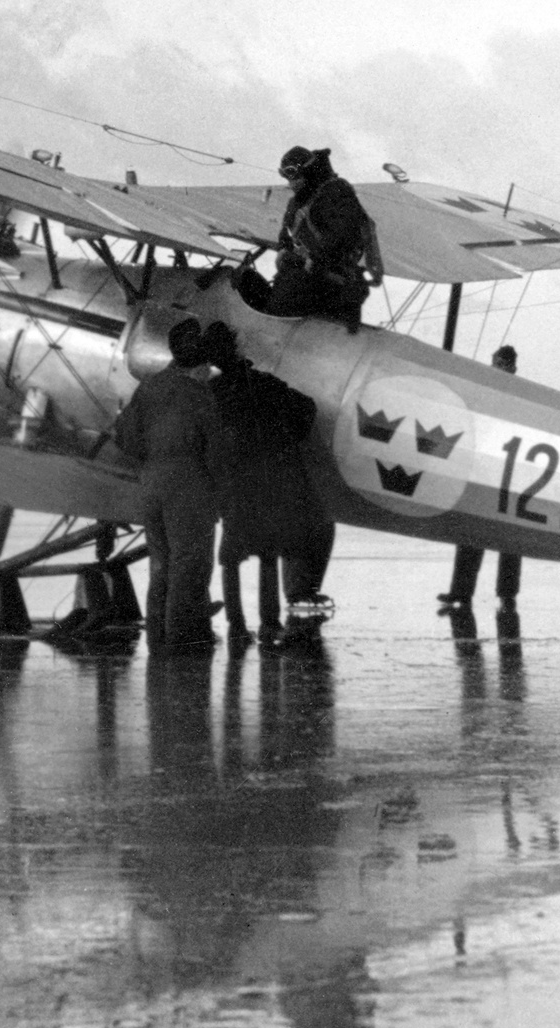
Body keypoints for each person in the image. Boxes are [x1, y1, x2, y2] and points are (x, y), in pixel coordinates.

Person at [199, 321, 334, 646]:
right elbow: (305, 408)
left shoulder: (211, 395)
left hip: (235, 486)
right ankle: (270, 624)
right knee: (268, 554)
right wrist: (286, 440)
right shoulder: (262, 384)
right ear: (236, 348)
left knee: (230, 558)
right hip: (270, 481)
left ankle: (236, 627)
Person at [113, 318, 225, 653]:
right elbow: (217, 451)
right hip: (188, 486)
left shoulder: (148, 387)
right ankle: (185, 640)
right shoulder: (200, 396)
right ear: (202, 366)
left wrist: (152, 463)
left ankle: (158, 638)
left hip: (152, 484)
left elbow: (125, 438)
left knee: (161, 563)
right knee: (190, 563)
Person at [439, 345, 523, 612]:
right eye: (494, 363)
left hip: (509, 472)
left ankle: (507, 594)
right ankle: (461, 592)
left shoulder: (519, 397)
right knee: (472, 531)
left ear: (511, 367)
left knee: (509, 537)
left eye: (501, 363)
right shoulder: (485, 393)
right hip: (484, 469)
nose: (496, 367)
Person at [265, 146, 380, 332]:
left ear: (307, 170)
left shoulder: (335, 193)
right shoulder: (296, 203)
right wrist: (283, 249)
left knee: (288, 296)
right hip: (310, 279)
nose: (290, 181)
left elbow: (343, 232)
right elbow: (287, 232)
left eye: (292, 174)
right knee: (283, 288)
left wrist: (316, 258)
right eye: (284, 175)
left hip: (334, 282)